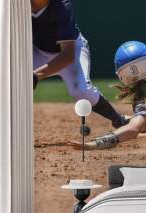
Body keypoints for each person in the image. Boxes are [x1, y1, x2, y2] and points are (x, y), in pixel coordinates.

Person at [31, 0, 127, 128]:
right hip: (37, 52)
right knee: (11, 77)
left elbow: (68, 55)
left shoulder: (61, 5)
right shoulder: (18, 5)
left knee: (81, 91)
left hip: (70, 52)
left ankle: (117, 118)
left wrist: (36, 75)